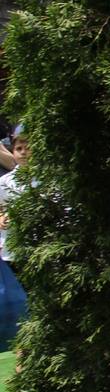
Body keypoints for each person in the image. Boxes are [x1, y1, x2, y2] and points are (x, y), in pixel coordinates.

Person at [0, 125, 30, 350]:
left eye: (27, 147)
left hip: (43, 249)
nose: (23, 152)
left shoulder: (50, 178)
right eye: (18, 148)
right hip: (14, 253)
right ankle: (24, 353)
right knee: (25, 307)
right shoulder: (4, 183)